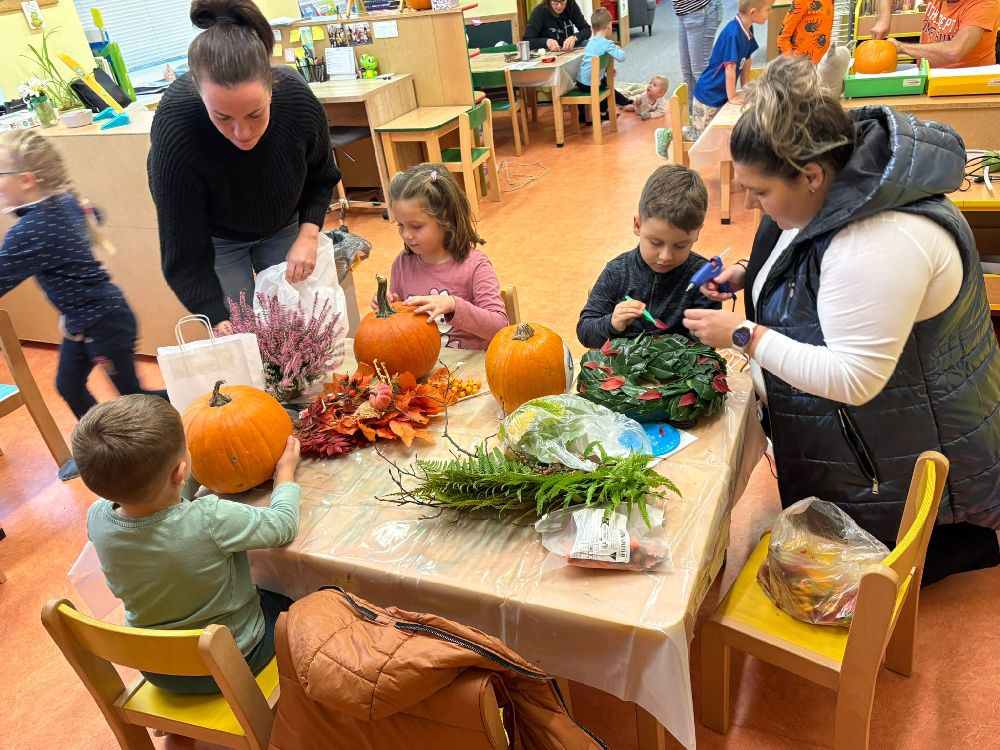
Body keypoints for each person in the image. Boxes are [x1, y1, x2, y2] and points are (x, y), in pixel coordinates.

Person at [682, 56, 1000, 584]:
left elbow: (856, 380)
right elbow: (803, 251)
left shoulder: (878, 242)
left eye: (761, 192)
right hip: (867, 447)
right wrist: (750, 275)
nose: (751, 203)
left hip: (895, 461)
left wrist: (741, 334)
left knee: (886, 570)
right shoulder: (837, 181)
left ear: (810, 175)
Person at [75, 394, 302, 693]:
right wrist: (285, 473)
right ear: (181, 472)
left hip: (159, 669)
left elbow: (155, 509)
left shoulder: (97, 517)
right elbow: (283, 525)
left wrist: (182, 477)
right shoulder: (210, 518)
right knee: (298, 597)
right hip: (234, 660)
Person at [148, 0, 341, 334]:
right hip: (219, 238)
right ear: (200, 96)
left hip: (283, 222)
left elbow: (321, 177)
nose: (243, 132)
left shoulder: (297, 101)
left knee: (295, 330)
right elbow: (182, 246)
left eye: (255, 114)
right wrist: (215, 315)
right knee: (242, 333)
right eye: (222, 117)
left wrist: (309, 233)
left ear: (272, 88)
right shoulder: (176, 128)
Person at [0, 131, 166, 423]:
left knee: (133, 396)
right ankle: (102, 437)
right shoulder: (63, 203)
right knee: (69, 385)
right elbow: (95, 214)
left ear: (26, 180)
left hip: (104, 323)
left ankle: (196, 400)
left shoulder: (31, 230)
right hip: (86, 321)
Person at [577, 164, 721, 349]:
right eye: (655, 242)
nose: (666, 256)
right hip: (623, 364)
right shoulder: (617, 272)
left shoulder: (703, 279)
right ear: (637, 225)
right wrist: (612, 323)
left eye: (680, 245)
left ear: (697, 233)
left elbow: (707, 348)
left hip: (681, 366)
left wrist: (709, 332)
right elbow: (585, 332)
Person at [380, 164, 508, 351]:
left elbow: (500, 327)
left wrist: (454, 305)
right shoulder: (402, 264)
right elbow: (399, 322)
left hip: (471, 367)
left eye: (416, 226)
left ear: (445, 219)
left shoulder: (475, 266)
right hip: (422, 364)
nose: (406, 235)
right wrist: (387, 306)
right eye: (401, 225)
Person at [871, 0, 999, 68]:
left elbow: (954, 51)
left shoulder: (985, 3)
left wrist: (900, 47)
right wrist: (883, 19)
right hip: (929, 77)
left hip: (967, 86)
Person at [575, 8, 631, 121]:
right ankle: (610, 107)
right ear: (609, 26)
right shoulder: (607, 44)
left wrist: (605, 69)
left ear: (592, 29)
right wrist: (617, 48)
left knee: (602, 81)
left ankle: (594, 113)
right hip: (591, 84)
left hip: (580, 82)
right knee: (606, 85)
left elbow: (592, 63)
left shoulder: (590, 43)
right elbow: (622, 57)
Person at [673, 0, 723, 94]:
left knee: (700, 72)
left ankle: (710, 102)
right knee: (687, 72)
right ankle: (692, 103)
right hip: (683, 12)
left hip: (700, 10)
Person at [522, 0, 591, 51]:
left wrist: (575, 37)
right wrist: (546, 42)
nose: (559, 6)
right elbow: (527, 41)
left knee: (590, 44)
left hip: (568, 49)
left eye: (563, 1)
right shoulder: (539, 11)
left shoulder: (571, 5)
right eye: (555, 1)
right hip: (549, 52)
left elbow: (587, 29)